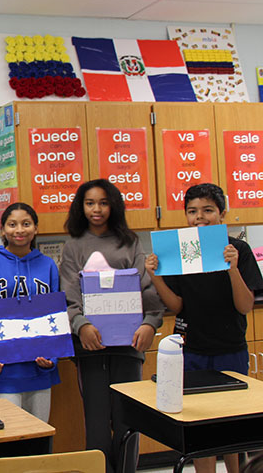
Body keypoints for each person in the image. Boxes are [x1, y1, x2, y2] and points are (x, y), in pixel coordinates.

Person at [145, 183, 263, 473]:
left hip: (230, 349)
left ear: (222, 214)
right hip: (192, 350)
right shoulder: (180, 251)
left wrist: (232, 268)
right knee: (199, 427)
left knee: (233, 426)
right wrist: (155, 275)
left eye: (208, 210)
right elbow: (177, 305)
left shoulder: (239, 249)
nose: (199, 217)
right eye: (192, 211)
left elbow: (245, 306)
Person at [59, 179, 163, 473]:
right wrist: (81, 325)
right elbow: (68, 295)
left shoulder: (130, 242)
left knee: (128, 420)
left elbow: (148, 290)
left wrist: (150, 324)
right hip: (91, 349)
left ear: (113, 206)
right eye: (90, 203)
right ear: (81, 207)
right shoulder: (73, 246)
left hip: (128, 347)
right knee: (96, 423)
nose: (97, 209)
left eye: (103, 203)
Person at [0, 203, 60, 422]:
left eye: (26, 224)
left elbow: (55, 314)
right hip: (2, 369)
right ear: (2, 230)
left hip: (39, 369)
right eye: (12, 224)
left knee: (39, 432)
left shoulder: (48, 265)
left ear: (36, 228)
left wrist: (52, 358)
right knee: (9, 433)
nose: (19, 230)